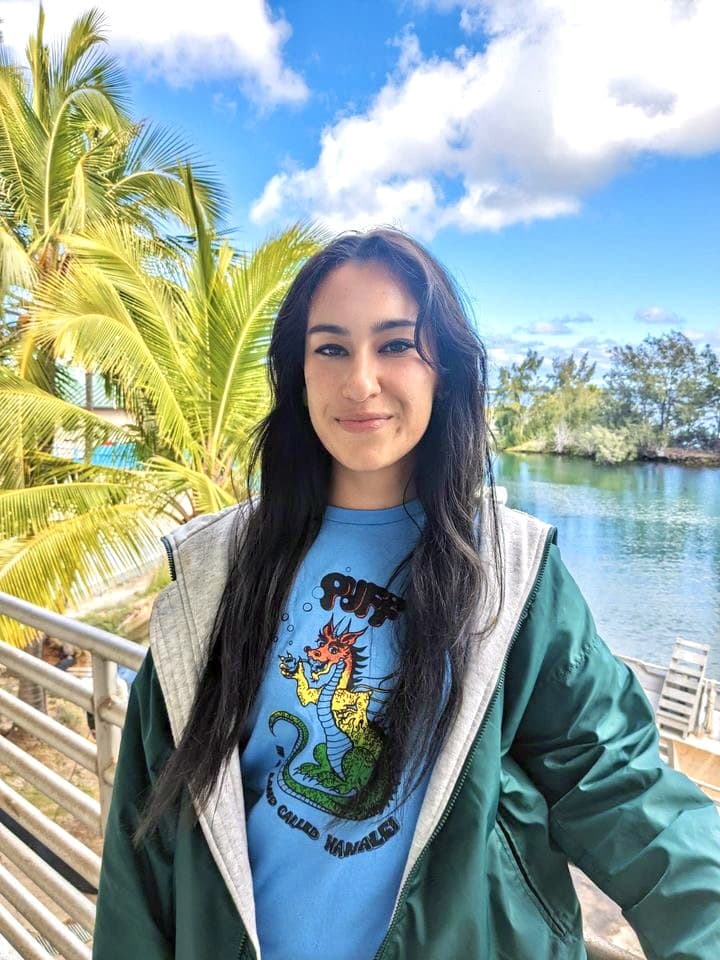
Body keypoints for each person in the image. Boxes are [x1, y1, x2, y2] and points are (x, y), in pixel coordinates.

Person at [93, 228, 720, 960]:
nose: (361, 382)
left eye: (395, 345)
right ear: (296, 371)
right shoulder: (216, 570)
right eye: (331, 348)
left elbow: (618, 784)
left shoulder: (509, 574)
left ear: (443, 372)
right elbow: (144, 836)